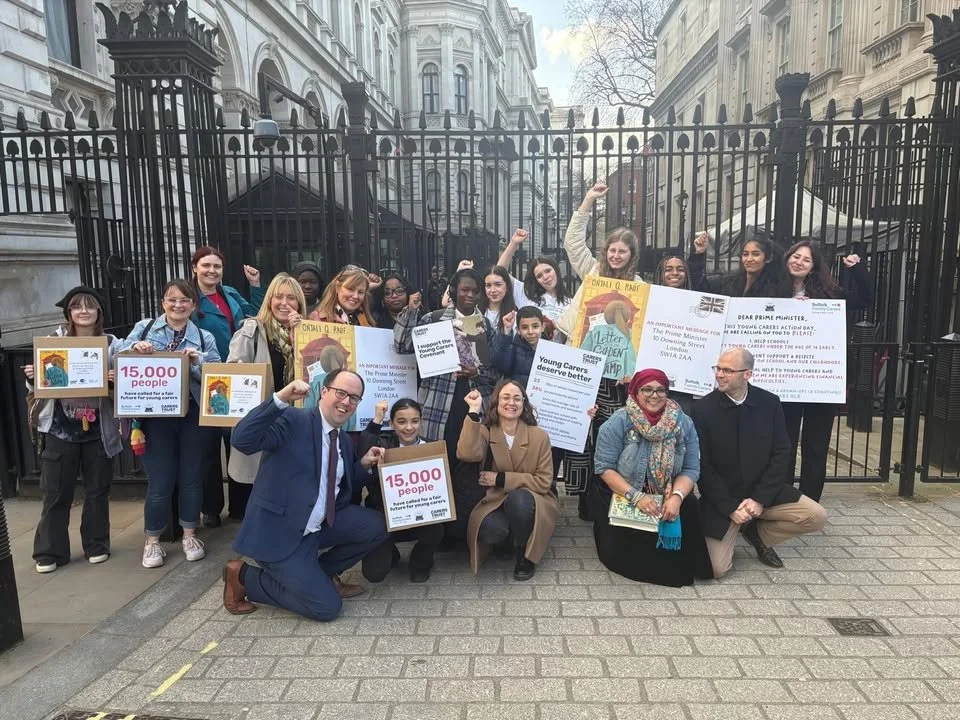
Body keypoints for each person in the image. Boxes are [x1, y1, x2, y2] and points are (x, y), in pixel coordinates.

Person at [222, 372, 392, 620]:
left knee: (379, 525)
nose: (346, 402)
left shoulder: (343, 439)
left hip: (319, 524)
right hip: (281, 533)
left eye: (354, 398)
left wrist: (365, 464)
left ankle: (318, 576)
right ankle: (244, 577)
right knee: (327, 608)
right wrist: (280, 399)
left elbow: (339, 483)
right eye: (341, 393)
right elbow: (242, 439)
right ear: (324, 392)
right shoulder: (292, 419)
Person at [691, 347, 828, 578]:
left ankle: (758, 534)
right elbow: (702, 466)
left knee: (816, 515)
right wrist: (730, 508)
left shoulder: (769, 403)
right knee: (715, 569)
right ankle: (736, 528)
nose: (719, 375)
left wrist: (760, 499)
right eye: (718, 368)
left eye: (728, 370)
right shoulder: (703, 409)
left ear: (747, 374)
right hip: (723, 498)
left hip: (764, 492)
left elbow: (781, 452)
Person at [556, 183, 646, 520]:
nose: (615, 256)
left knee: (610, 432)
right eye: (611, 250)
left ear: (631, 256)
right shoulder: (592, 273)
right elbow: (572, 243)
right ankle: (583, 499)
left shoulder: (639, 289)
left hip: (615, 374)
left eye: (622, 251)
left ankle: (608, 494)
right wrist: (588, 202)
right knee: (580, 430)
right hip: (582, 362)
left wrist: (632, 368)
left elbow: (639, 334)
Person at [120, 279, 221, 568]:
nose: (178, 305)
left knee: (191, 478)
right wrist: (134, 351)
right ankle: (152, 542)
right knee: (160, 481)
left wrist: (197, 363)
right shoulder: (145, 328)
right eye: (172, 300)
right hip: (154, 417)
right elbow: (117, 362)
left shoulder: (203, 338)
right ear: (163, 302)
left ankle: (190, 534)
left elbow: (217, 377)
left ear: (193, 304)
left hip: (193, 416)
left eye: (184, 300)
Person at [394, 267, 500, 541]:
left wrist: (476, 372)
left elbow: (493, 372)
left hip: (472, 405)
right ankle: (435, 536)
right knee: (440, 466)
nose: (470, 294)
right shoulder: (433, 318)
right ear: (453, 291)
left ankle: (461, 534)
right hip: (439, 405)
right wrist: (410, 311)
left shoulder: (484, 325)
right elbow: (403, 346)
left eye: (475, 291)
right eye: (464, 289)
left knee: (469, 467)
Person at [24, 287, 122, 573]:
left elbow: (124, 385)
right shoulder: (53, 342)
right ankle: (49, 551)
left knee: (97, 490)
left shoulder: (112, 343)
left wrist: (114, 378)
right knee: (55, 492)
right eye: (77, 307)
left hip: (97, 427)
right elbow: (38, 389)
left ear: (98, 312)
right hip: (60, 428)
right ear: (69, 312)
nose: (83, 312)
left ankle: (96, 544)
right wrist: (33, 378)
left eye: (89, 307)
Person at [591, 369, 713, 587]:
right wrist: (636, 496)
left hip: (665, 492)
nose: (654, 395)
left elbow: (691, 468)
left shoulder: (684, 423)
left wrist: (676, 496)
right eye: (647, 389)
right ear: (635, 392)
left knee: (688, 506)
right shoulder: (618, 422)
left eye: (660, 390)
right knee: (632, 557)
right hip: (626, 492)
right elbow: (604, 468)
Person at [782, 240, 872, 502]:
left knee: (816, 444)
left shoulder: (830, 295)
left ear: (813, 267)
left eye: (806, 259)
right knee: (784, 444)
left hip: (821, 381)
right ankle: (783, 496)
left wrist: (857, 269)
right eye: (795, 256)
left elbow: (865, 298)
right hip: (785, 381)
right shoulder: (773, 292)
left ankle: (809, 501)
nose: (799, 262)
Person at [190, 245, 265, 529]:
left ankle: (239, 506)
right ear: (195, 267)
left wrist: (256, 286)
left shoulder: (230, 293)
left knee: (239, 442)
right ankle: (210, 509)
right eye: (206, 266)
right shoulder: (190, 299)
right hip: (208, 376)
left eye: (217, 267)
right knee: (209, 448)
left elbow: (255, 316)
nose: (212, 271)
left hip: (239, 375)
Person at [224, 273, 306, 518]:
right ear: (268, 300)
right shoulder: (253, 329)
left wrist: (300, 336)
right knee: (257, 484)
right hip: (264, 417)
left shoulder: (306, 331)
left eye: (291, 298)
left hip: (295, 419)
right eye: (278, 297)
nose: (284, 303)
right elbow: (234, 371)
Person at [457, 381, 557, 581]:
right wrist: (474, 411)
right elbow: (466, 453)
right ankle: (505, 540)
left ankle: (523, 555)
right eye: (506, 397)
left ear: (524, 404)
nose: (511, 403)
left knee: (519, 499)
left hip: (534, 499)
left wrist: (502, 478)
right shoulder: (486, 431)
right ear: (496, 402)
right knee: (492, 530)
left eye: (517, 398)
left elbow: (544, 482)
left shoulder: (539, 436)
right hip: (495, 499)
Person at [356, 398, 445, 582]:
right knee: (374, 574)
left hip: (422, 517)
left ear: (421, 421)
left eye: (414, 421)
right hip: (385, 518)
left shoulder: (432, 447)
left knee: (437, 528)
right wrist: (377, 420)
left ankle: (421, 561)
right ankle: (391, 553)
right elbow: (362, 453)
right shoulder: (382, 445)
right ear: (392, 424)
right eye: (401, 421)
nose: (409, 427)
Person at [497, 228, 573, 332]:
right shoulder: (526, 295)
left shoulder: (570, 302)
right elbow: (500, 271)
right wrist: (514, 243)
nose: (545, 277)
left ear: (556, 270)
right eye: (539, 276)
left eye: (548, 271)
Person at [690, 234, 791, 298]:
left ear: (768, 258)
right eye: (745, 254)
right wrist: (699, 253)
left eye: (756, 254)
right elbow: (700, 286)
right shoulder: (728, 282)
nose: (749, 259)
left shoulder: (776, 289)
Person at [311, 265, 380, 325]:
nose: (356, 296)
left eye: (360, 292)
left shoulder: (365, 318)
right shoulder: (318, 319)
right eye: (350, 289)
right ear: (337, 287)